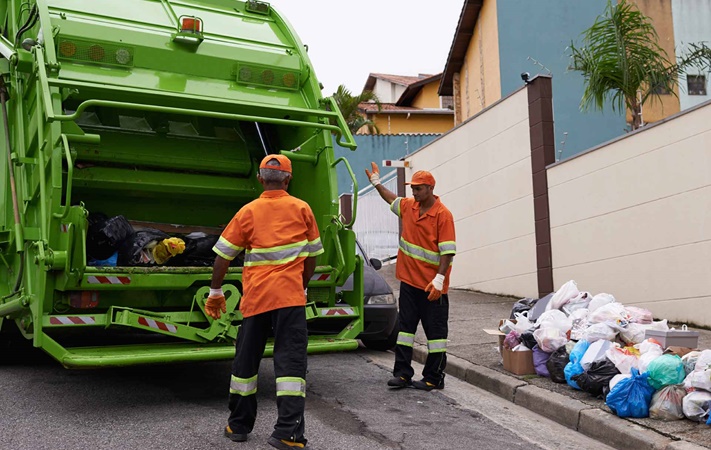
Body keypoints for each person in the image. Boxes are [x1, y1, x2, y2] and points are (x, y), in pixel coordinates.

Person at [206, 154, 323, 450]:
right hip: (289, 298)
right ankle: (287, 433)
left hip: (256, 299)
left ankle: (238, 425)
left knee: (245, 362)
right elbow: (312, 257)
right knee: (291, 365)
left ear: (260, 179)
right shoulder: (302, 208)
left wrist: (216, 291)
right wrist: (301, 286)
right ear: (288, 179)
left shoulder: (248, 211)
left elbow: (223, 256)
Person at [365, 162, 456, 391]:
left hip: (431, 287)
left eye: (418, 188)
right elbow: (391, 199)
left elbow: (447, 251)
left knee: (435, 336)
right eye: (412, 188)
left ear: (430, 189)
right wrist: (376, 184)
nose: (413, 192)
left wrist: (439, 279)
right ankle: (403, 374)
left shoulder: (443, 215)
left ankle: (433, 378)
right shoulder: (409, 207)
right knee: (405, 331)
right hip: (409, 284)